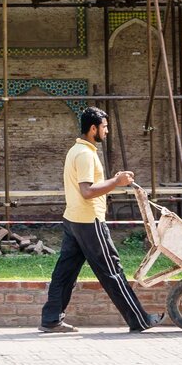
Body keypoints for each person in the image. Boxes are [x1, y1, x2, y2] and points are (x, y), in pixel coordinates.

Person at [38, 107, 155, 334]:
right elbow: (87, 191)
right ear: (93, 129)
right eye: (104, 127)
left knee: (65, 273)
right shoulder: (85, 154)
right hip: (89, 220)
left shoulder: (76, 150)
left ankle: (51, 319)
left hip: (74, 219)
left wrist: (113, 180)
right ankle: (140, 320)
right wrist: (117, 181)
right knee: (112, 271)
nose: (107, 131)